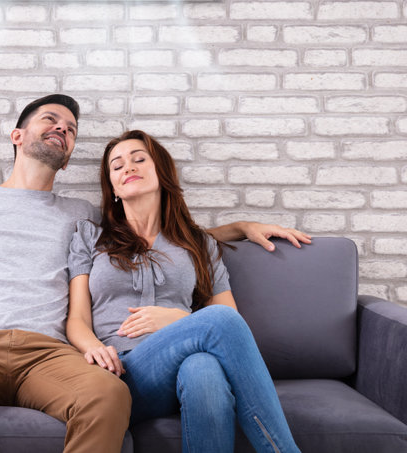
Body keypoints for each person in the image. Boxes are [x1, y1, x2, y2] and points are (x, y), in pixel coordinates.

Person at [0, 95, 307, 453]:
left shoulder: (83, 216)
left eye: (70, 128)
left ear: (68, 160)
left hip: (50, 356)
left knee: (108, 394)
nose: (63, 128)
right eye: (51, 119)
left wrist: (237, 226)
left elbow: (156, 233)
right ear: (18, 135)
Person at [66, 130, 305, 453]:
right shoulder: (91, 237)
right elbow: (77, 318)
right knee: (215, 324)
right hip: (120, 373)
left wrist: (177, 319)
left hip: (180, 370)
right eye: (117, 166)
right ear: (113, 188)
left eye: (139, 159)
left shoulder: (198, 244)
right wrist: (93, 347)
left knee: (203, 368)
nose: (128, 168)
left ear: (162, 173)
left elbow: (230, 320)